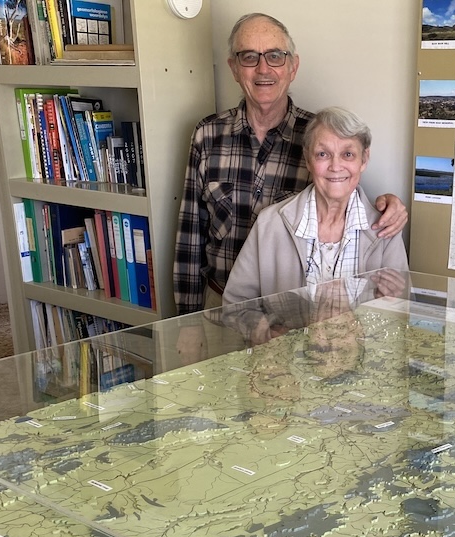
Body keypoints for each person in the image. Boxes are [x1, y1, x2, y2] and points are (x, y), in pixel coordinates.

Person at [172, 13, 408, 320]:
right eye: (248, 57)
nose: (263, 69)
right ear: (233, 67)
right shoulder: (208, 134)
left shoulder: (318, 136)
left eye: (275, 56)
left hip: (292, 318)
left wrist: (390, 204)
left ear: (293, 66)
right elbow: (190, 232)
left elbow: (345, 189)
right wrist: (184, 322)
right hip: (221, 304)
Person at [222, 107, 408, 346]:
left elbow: (402, 315)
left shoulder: (385, 229)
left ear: (365, 159)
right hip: (290, 371)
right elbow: (236, 305)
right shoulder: (271, 224)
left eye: (348, 154)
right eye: (323, 154)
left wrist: (389, 303)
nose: (336, 166)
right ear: (308, 159)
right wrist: (263, 330)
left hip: (359, 371)